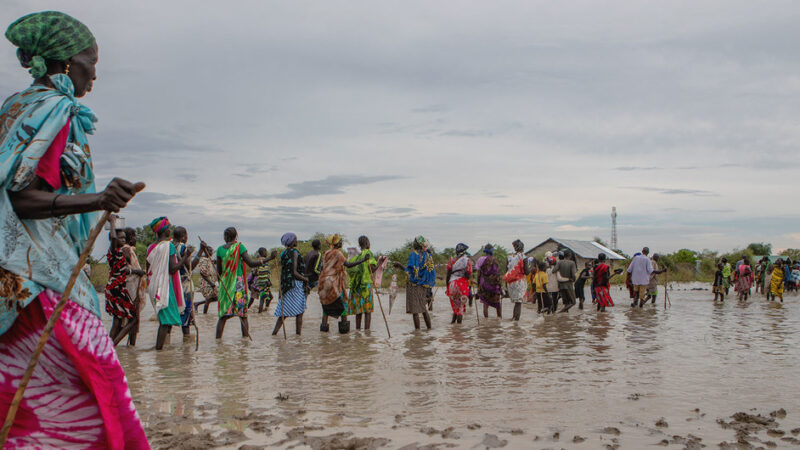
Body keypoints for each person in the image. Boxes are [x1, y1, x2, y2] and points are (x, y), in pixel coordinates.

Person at [0, 12, 149, 447]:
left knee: (26, 405)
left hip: (11, 281)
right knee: (101, 393)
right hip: (42, 282)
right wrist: (98, 200)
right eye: (91, 61)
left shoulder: (15, 107)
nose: (96, 73)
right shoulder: (55, 110)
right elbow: (21, 197)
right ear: (66, 63)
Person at [147, 217, 193, 350]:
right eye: (168, 228)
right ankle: (159, 350)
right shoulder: (168, 246)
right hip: (165, 286)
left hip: (154, 285)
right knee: (166, 321)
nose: (170, 230)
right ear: (165, 230)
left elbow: (148, 268)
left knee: (164, 318)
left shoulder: (151, 247)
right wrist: (186, 256)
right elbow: (173, 269)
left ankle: (162, 349)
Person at [216, 227, 263, 339]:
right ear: (236, 236)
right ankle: (245, 343)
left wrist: (223, 285)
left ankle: (218, 343)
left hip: (225, 285)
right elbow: (251, 263)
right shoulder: (239, 247)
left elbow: (219, 272)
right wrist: (266, 260)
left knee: (223, 316)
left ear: (225, 237)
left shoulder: (219, 250)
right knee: (243, 315)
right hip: (238, 284)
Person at [318, 234, 368, 332]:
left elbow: (321, 268)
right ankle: (344, 332)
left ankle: (324, 333)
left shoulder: (326, 253)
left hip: (324, 283)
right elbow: (348, 265)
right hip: (334, 284)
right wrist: (363, 260)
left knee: (326, 307)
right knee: (343, 305)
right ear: (336, 243)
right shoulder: (338, 253)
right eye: (340, 241)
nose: (342, 242)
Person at [105, 226, 138, 343]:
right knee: (133, 318)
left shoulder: (120, 251)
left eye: (124, 237)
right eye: (120, 238)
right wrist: (112, 222)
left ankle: (110, 346)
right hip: (116, 288)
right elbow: (113, 238)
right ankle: (113, 344)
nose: (123, 240)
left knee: (117, 320)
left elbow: (122, 270)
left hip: (117, 287)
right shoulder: (113, 251)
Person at [395, 236, 434, 330]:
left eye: (414, 241)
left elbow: (411, 272)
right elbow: (431, 271)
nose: (413, 242)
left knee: (415, 311)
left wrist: (400, 266)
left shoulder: (413, 254)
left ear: (417, 244)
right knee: (423, 309)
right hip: (423, 284)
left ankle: (417, 334)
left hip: (413, 285)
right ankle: (429, 330)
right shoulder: (428, 256)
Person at [273, 233, 309, 335]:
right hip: (295, 285)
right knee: (300, 312)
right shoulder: (294, 252)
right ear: (292, 241)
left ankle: (274, 334)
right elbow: (294, 272)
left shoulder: (283, 253)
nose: (297, 241)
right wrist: (305, 279)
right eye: (296, 239)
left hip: (286, 285)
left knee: (283, 313)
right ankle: (298, 335)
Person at [119, 227, 146, 346]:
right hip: (129, 288)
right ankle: (128, 345)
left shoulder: (129, 250)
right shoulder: (126, 250)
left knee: (131, 319)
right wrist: (136, 272)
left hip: (132, 287)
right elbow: (122, 270)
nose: (136, 238)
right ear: (129, 238)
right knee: (133, 319)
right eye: (134, 236)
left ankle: (130, 348)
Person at [345, 236, 378, 330]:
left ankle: (358, 332)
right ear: (367, 243)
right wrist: (380, 262)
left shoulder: (356, 255)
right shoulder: (368, 253)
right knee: (367, 311)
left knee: (359, 310)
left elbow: (350, 268)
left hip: (356, 285)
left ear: (359, 244)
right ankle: (367, 333)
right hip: (365, 286)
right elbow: (372, 268)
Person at [446, 243, 473, 324]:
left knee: (455, 306)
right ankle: (459, 330)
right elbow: (468, 274)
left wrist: (447, 286)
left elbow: (448, 274)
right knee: (460, 308)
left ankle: (453, 325)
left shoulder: (451, 260)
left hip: (452, 284)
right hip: (462, 284)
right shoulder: (467, 260)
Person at [504, 239, 529, 320]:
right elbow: (527, 272)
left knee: (516, 302)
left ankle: (514, 318)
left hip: (510, 283)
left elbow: (506, 271)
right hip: (519, 282)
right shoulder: (523, 257)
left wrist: (505, 286)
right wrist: (531, 267)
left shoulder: (509, 257)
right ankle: (516, 321)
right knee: (519, 302)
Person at [476, 244, 503, 318]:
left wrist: (478, 286)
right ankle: (499, 320)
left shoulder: (480, 260)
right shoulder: (495, 261)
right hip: (494, 286)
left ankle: (486, 321)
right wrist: (500, 287)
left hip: (484, 285)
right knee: (498, 305)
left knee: (485, 304)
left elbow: (479, 274)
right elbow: (497, 275)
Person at [195, 242, 219, 314]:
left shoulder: (208, 259)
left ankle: (197, 304)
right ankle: (205, 315)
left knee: (216, 298)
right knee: (209, 299)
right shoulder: (204, 260)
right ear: (205, 251)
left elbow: (212, 262)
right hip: (206, 282)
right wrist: (211, 283)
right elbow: (203, 273)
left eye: (211, 251)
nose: (211, 252)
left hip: (210, 281)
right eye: (209, 251)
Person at [253, 247, 278, 313]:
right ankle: (260, 312)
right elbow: (265, 272)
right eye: (265, 251)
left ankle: (265, 309)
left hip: (262, 282)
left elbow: (257, 272)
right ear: (262, 253)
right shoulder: (263, 261)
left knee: (268, 297)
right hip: (264, 282)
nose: (266, 253)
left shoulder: (260, 261)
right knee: (263, 298)